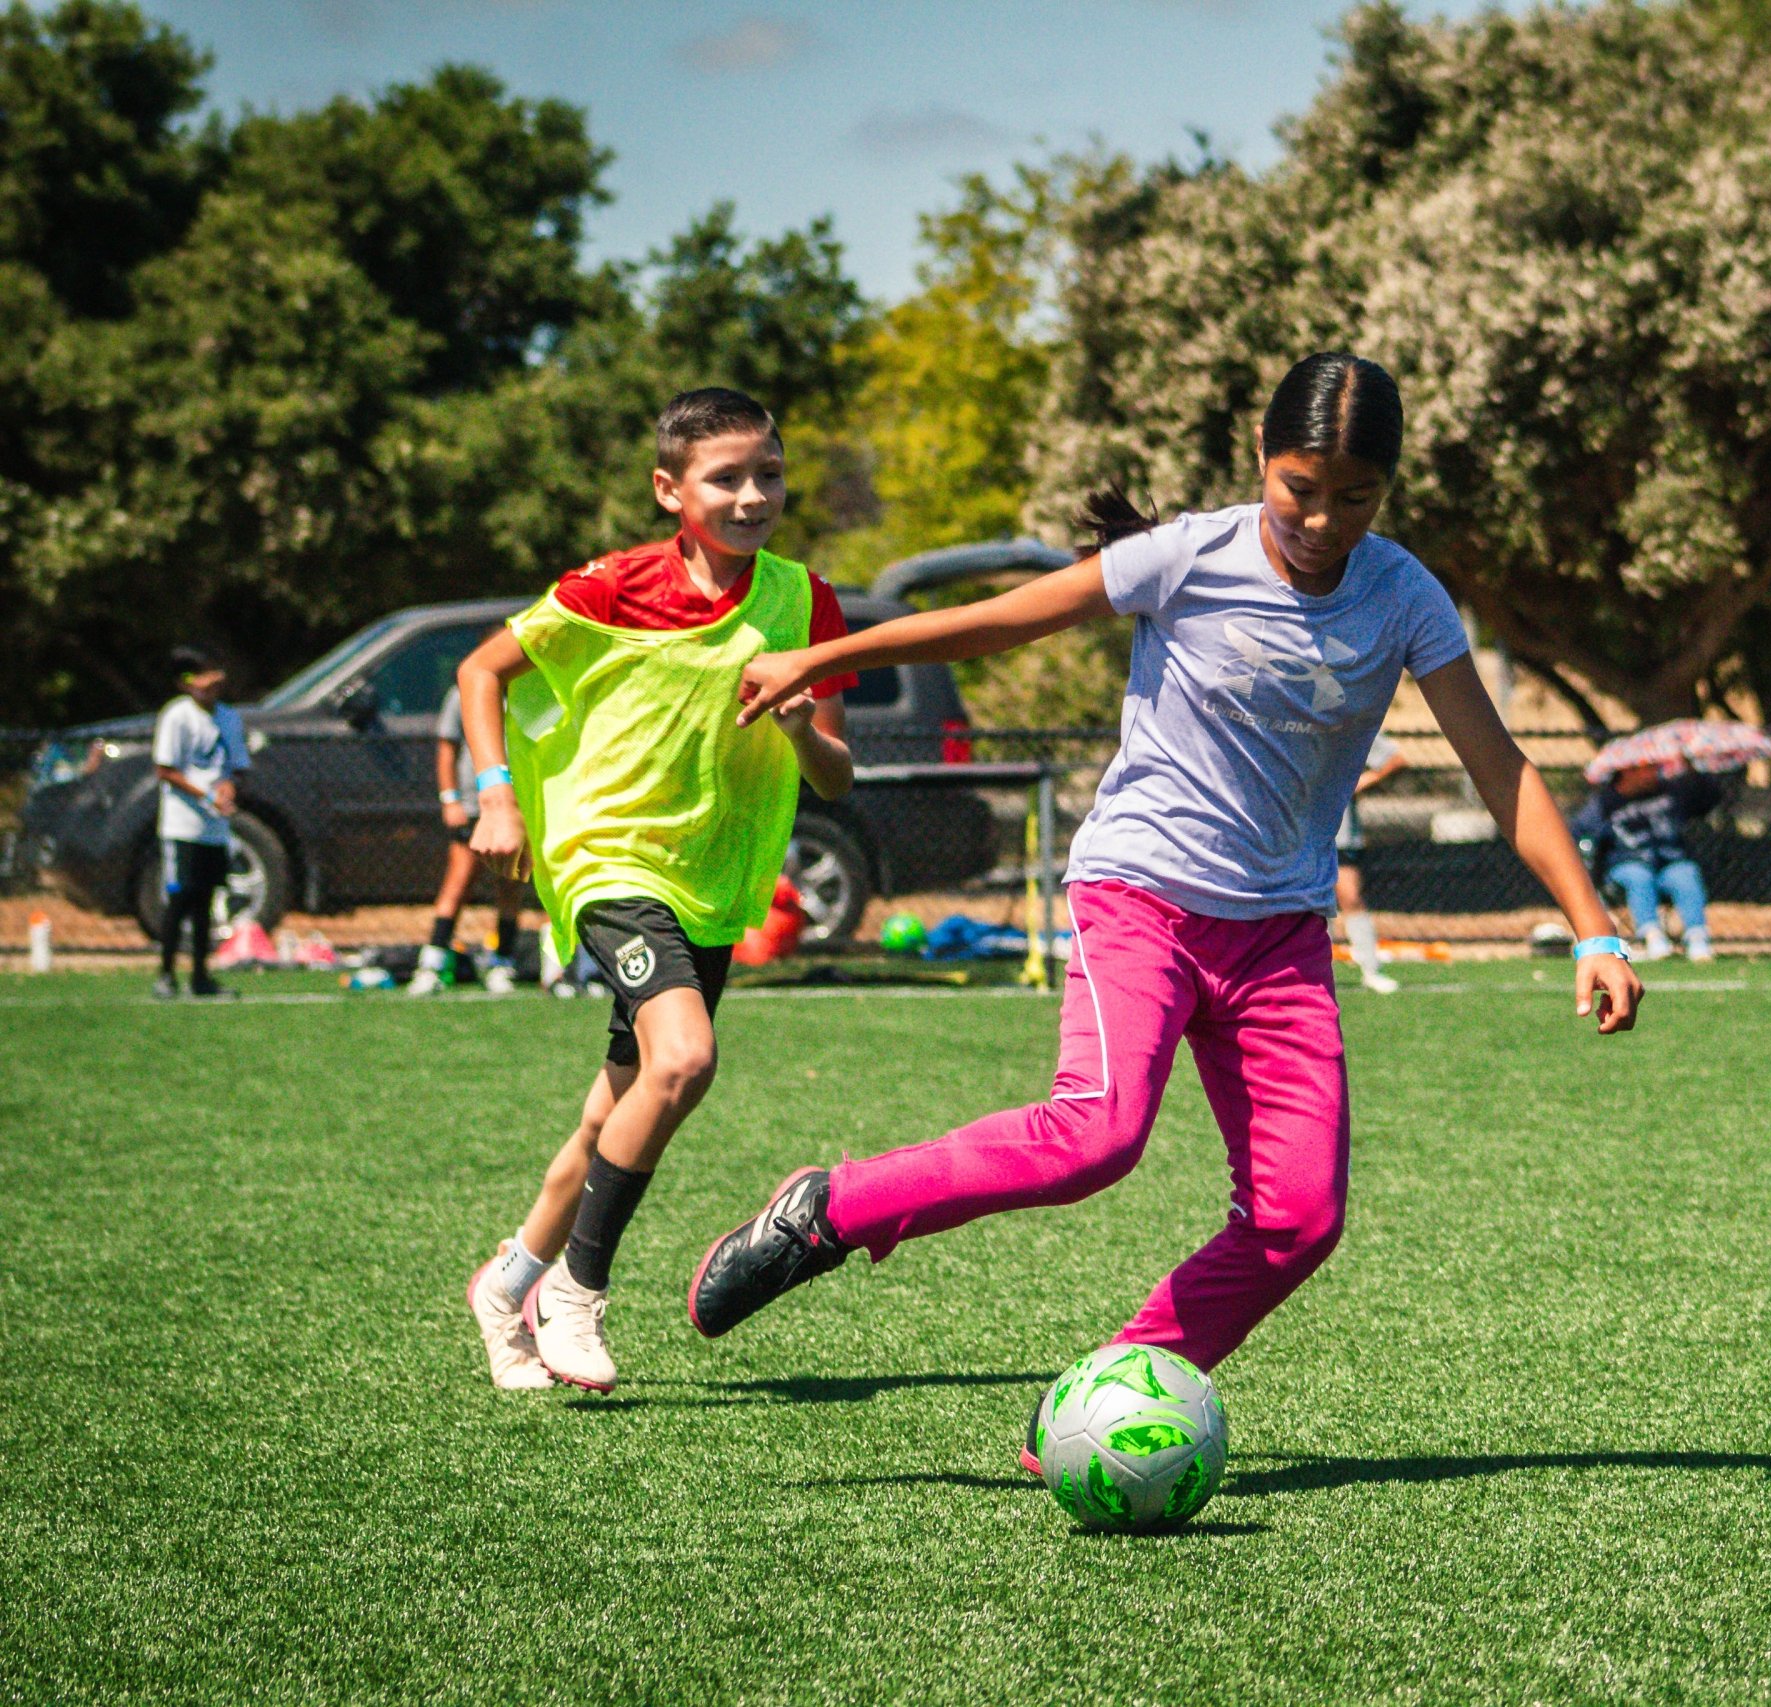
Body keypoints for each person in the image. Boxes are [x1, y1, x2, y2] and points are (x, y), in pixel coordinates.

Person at [684, 353, 1643, 1470]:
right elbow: (998, 623)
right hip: (1139, 895)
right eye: (1300, 488)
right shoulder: (1187, 552)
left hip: (1278, 933)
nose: (1325, 519)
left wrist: (1594, 925)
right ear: (1259, 460)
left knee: (1298, 1219)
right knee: (1095, 1136)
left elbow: (1499, 765)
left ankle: (1096, 1397)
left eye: (1356, 497)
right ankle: (834, 1209)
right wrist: (828, 653)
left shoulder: (1405, 596)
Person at [452, 387, 856, 1392]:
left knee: (615, 1110)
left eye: (768, 473)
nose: (753, 494)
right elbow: (480, 670)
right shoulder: (609, 586)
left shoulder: (805, 601)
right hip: (607, 859)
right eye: (727, 478)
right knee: (683, 1060)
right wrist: (496, 796)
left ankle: (506, 1285)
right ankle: (576, 1294)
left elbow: (836, 777)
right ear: (669, 489)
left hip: (712, 881)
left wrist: (802, 725)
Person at [410, 662, 526, 995]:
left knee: (509, 886)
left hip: (515, 808)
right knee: (458, 883)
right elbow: (447, 749)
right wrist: (450, 800)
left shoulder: (526, 694)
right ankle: (431, 964)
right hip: (477, 806)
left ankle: (502, 963)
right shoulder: (464, 692)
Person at [150, 646, 251, 1001]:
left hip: (214, 828)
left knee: (207, 901)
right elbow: (165, 769)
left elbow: (237, 766)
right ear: (185, 683)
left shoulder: (228, 718)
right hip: (183, 825)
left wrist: (228, 787)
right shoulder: (177, 716)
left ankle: (200, 977)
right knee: (180, 900)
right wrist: (203, 795)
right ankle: (165, 974)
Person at [1572, 761, 1720, 962]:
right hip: (1625, 865)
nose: (1655, 772)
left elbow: (1709, 800)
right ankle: (1652, 937)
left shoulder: (1671, 792)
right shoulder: (1605, 803)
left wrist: (1692, 769)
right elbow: (1580, 832)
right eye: (1647, 768)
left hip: (1668, 863)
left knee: (1685, 873)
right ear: (1627, 771)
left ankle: (1696, 936)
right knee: (1639, 876)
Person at [1335, 733, 1409, 992]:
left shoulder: (1349, 717)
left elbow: (1395, 760)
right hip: (1292, 830)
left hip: (1338, 831)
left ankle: (1371, 971)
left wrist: (1359, 783)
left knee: (1351, 897)